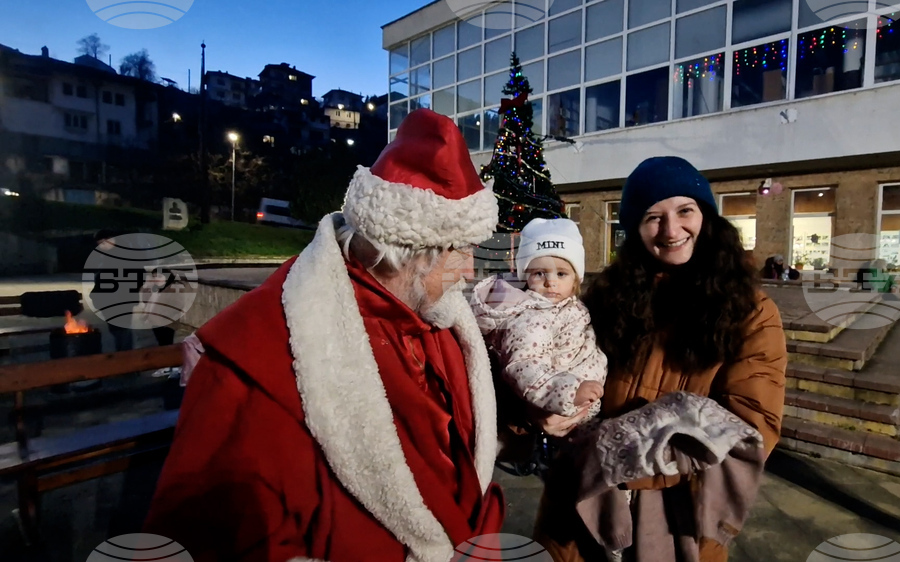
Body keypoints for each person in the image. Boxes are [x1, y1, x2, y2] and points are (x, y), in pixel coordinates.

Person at [143, 109, 506, 561]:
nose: (470, 271)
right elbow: (216, 535)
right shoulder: (258, 349)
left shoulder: (439, 321)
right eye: (459, 251)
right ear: (406, 252)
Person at [531, 156, 787, 562]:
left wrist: (615, 452)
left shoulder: (750, 311)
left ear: (706, 215)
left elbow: (751, 426)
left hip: (677, 519)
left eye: (685, 210)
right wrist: (541, 411)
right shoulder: (606, 296)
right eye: (653, 217)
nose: (671, 230)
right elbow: (550, 367)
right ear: (634, 228)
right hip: (579, 507)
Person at [470, 217, 607, 423]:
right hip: (561, 407)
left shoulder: (573, 307)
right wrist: (570, 391)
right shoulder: (530, 318)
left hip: (584, 409)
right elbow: (525, 366)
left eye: (561, 274)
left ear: (575, 279)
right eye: (540, 273)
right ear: (526, 277)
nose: (550, 282)